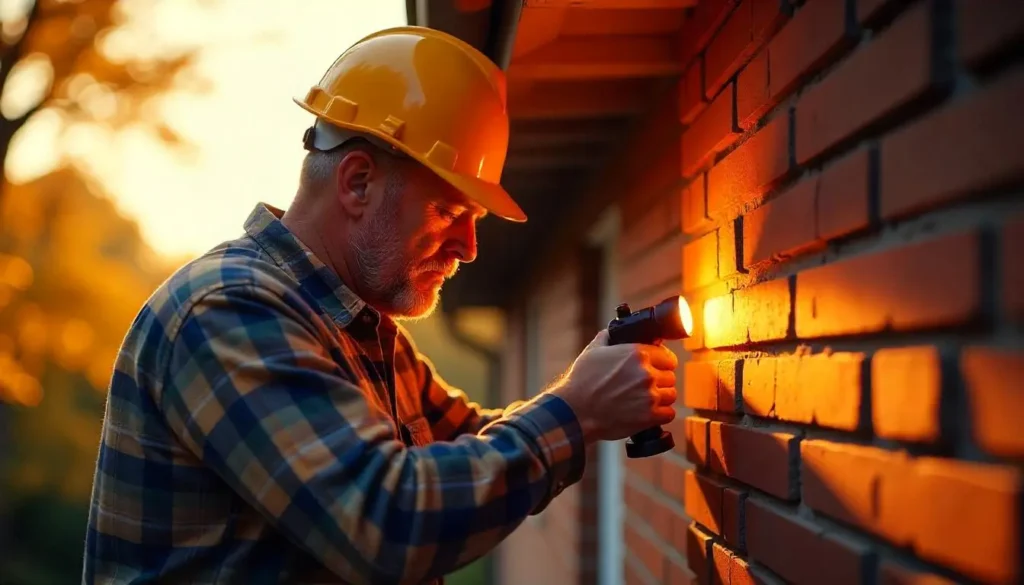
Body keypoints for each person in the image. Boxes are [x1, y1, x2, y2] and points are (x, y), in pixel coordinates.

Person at [82, 26, 678, 585]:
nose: (469, 248)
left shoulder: (357, 327)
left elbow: (471, 442)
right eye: (449, 213)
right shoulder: (228, 313)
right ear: (358, 182)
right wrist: (577, 412)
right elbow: (388, 522)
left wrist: (589, 383)